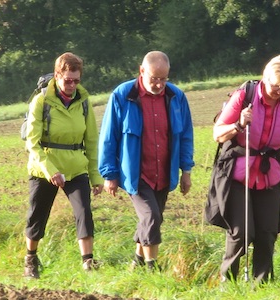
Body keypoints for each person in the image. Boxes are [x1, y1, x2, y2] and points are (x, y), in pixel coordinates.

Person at [212, 55, 280, 282]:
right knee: (241, 232)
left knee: (267, 233)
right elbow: (218, 133)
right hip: (238, 174)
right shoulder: (245, 96)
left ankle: (262, 285)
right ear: (264, 78)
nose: (279, 91)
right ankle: (228, 281)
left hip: (269, 174)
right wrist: (239, 124)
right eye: (275, 86)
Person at [98, 51, 194, 271]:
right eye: (154, 78)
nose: (159, 84)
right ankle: (152, 267)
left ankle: (137, 262)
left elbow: (186, 135)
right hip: (136, 173)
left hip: (164, 172)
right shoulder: (123, 95)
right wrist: (109, 174)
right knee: (150, 216)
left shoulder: (177, 97)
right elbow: (108, 137)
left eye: (163, 79)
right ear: (141, 71)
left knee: (154, 218)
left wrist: (186, 171)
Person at [22, 52, 103, 278]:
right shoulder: (41, 101)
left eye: (76, 80)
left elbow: (92, 141)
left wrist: (95, 177)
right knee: (37, 215)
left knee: (84, 212)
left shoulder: (84, 102)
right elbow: (32, 143)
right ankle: (30, 259)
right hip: (44, 167)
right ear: (57, 75)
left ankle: (88, 263)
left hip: (75, 166)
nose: (72, 85)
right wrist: (51, 171)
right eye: (68, 80)